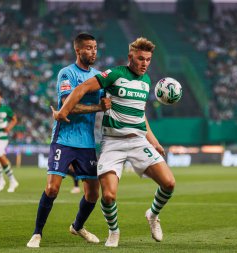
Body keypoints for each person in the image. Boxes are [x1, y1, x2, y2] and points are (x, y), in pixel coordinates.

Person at [52, 37, 176, 247]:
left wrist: (153, 141)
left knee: (169, 183)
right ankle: (114, 231)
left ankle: (153, 215)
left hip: (138, 141)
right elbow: (81, 88)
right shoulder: (114, 74)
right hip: (113, 143)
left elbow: (140, 114)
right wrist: (64, 111)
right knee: (108, 196)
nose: (144, 63)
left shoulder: (146, 82)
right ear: (130, 57)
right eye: (140, 59)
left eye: (148, 59)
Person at [27, 33, 111, 248]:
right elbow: (68, 106)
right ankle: (37, 233)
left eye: (95, 47)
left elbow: (106, 100)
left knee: (93, 194)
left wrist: (106, 102)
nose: (93, 51)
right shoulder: (67, 73)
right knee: (52, 188)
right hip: (64, 138)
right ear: (78, 50)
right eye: (89, 48)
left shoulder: (98, 77)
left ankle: (77, 226)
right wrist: (97, 107)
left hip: (87, 143)